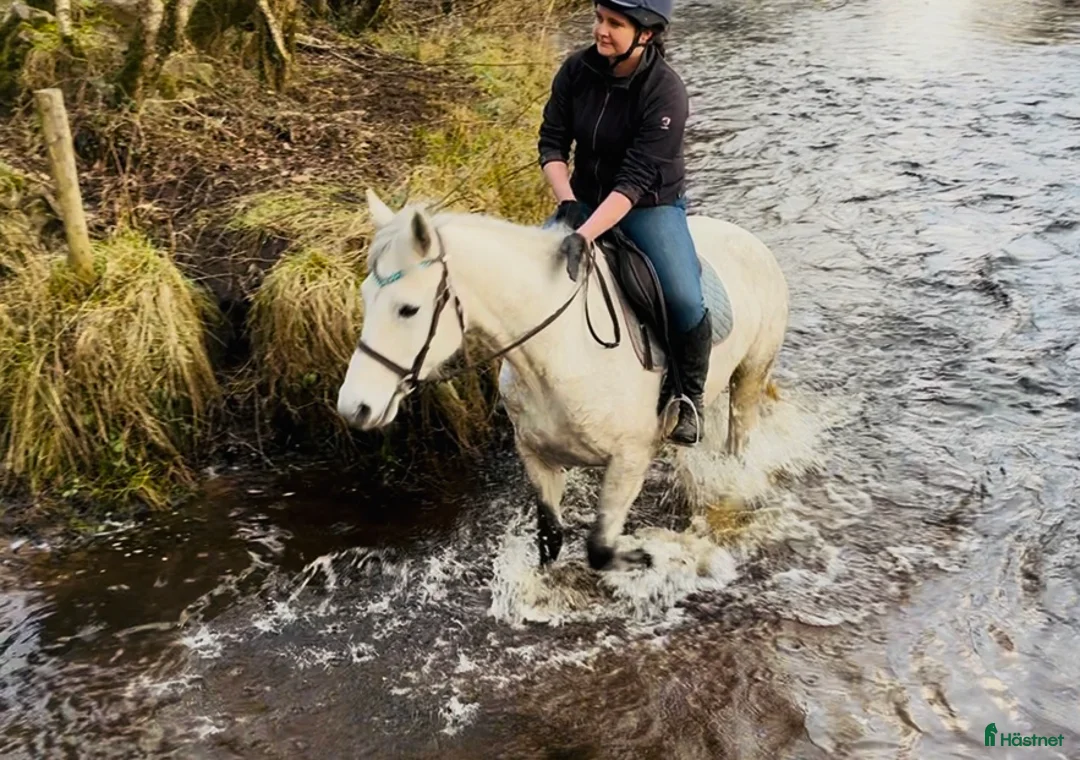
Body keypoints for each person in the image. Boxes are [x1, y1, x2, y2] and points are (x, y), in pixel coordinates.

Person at [537, 0, 712, 446]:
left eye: (615, 23)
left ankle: (688, 396)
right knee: (532, 277)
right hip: (581, 199)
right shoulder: (576, 70)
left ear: (646, 34)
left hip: (648, 205)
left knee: (684, 297)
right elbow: (552, 144)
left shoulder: (665, 91)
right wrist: (570, 204)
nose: (601, 30)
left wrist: (584, 233)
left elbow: (634, 182)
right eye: (599, 19)